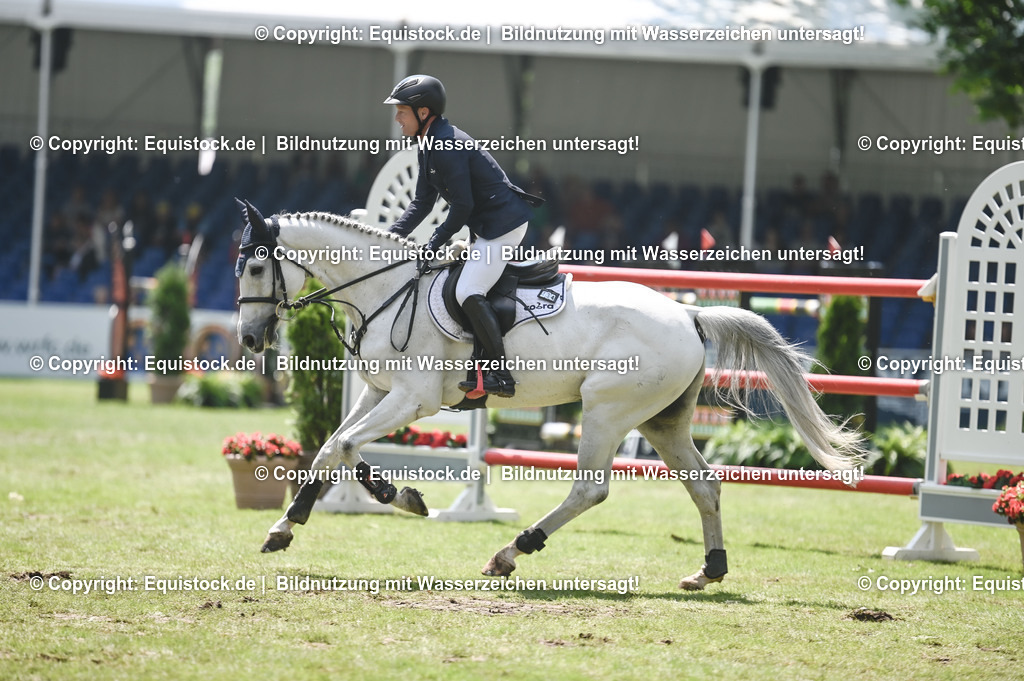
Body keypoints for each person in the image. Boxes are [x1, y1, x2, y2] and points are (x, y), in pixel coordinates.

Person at [384, 74, 543, 398]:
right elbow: (421, 203)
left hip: (503, 227)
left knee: (469, 290)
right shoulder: (428, 145)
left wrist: (432, 244)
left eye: (402, 111)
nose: (397, 118)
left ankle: (501, 374)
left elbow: (462, 205)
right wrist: (385, 237)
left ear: (423, 113)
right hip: (485, 228)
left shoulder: (446, 145)